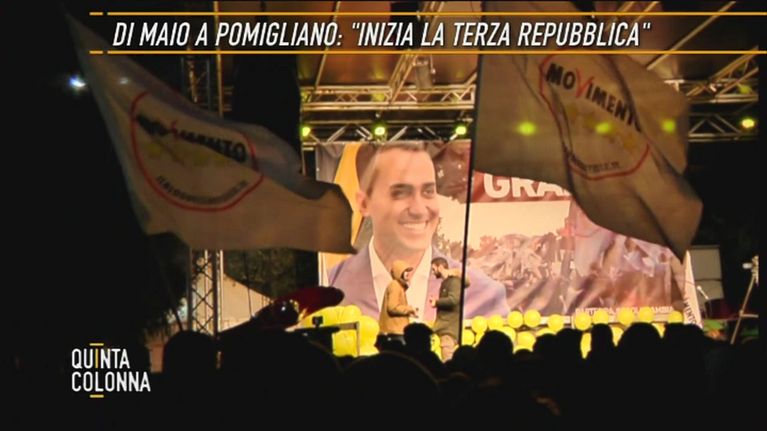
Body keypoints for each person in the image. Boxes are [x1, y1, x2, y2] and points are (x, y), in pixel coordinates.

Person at [327, 143, 508, 321]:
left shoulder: (484, 295)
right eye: (400, 193)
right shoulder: (330, 286)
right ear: (364, 203)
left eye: (428, 191)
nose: (419, 210)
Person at [429, 257, 464, 361]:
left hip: (449, 330)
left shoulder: (454, 281)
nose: (433, 272)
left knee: (448, 360)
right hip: (444, 328)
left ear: (440, 267)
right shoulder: (446, 282)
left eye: (433, 269)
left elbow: (454, 300)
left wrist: (437, 302)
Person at [379, 260, 418, 340]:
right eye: (405, 271)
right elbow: (392, 308)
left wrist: (409, 312)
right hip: (395, 331)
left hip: (397, 330)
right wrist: (409, 309)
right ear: (398, 272)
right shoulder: (395, 285)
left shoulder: (399, 286)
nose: (408, 273)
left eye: (408, 271)